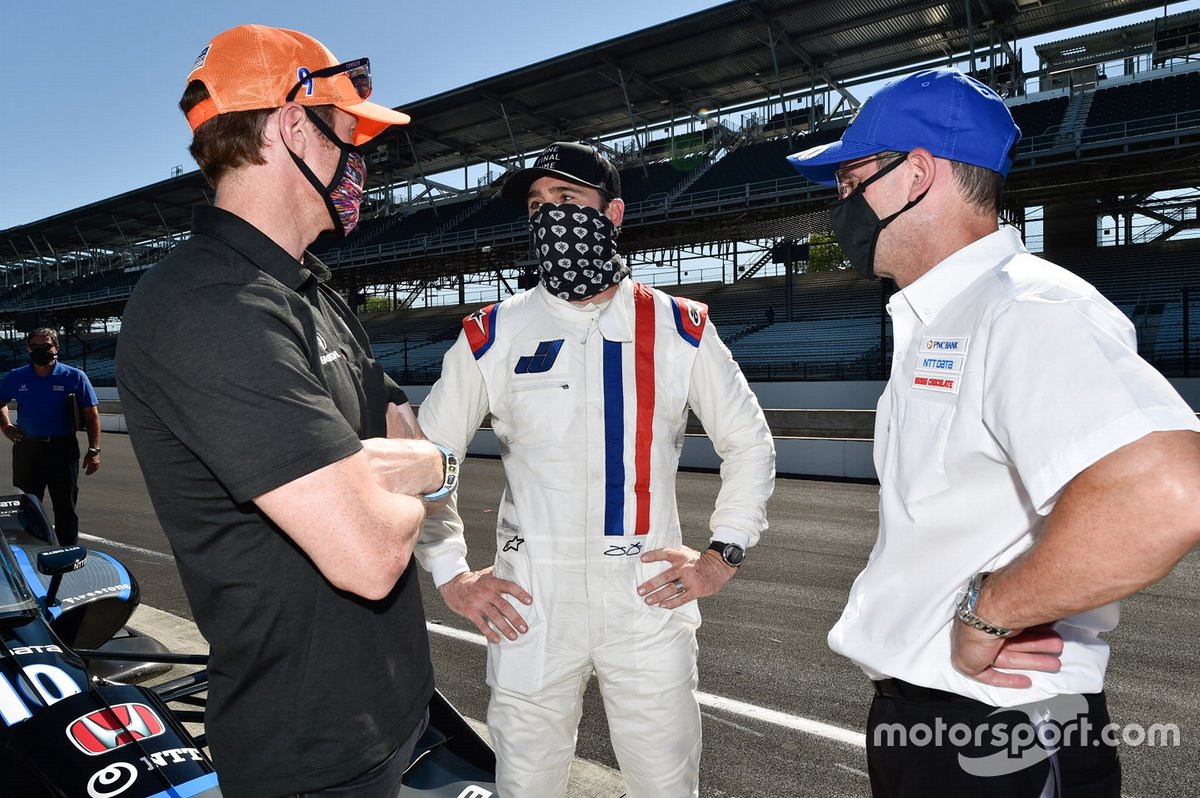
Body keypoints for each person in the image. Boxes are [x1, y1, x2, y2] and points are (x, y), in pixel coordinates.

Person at [788, 67, 1200, 797]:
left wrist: (991, 611)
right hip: (938, 723)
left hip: (1001, 729)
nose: (839, 205)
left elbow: (1170, 493)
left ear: (917, 173)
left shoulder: (1028, 309)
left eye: (851, 181)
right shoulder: (949, 315)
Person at [116, 25, 453, 798]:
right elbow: (367, 555)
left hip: (390, 715)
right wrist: (434, 468)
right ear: (294, 125)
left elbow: (401, 431)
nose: (360, 162)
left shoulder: (309, 288)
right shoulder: (206, 305)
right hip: (310, 755)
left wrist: (399, 465)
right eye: (349, 135)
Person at [415, 141, 776, 797]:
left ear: (611, 213)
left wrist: (724, 553)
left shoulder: (680, 325)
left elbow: (749, 442)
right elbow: (427, 457)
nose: (549, 218)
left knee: (665, 785)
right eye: (536, 206)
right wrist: (450, 574)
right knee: (526, 784)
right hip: (529, 596)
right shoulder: (492, 331)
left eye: (566, 201)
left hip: (645, 592)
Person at [0, 327, 101, 545]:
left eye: (45, 346)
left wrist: (94, 450)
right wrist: (6, 427)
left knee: (65, 507)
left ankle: (67, 556)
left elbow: (92, 416)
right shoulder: (16, 377)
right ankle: (30, 555)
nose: (39, 350)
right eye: (34, 346)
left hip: (62, 449)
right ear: (28, 349)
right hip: (27, 449)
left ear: (56, 348)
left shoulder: (74, 376)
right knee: (26, 505)